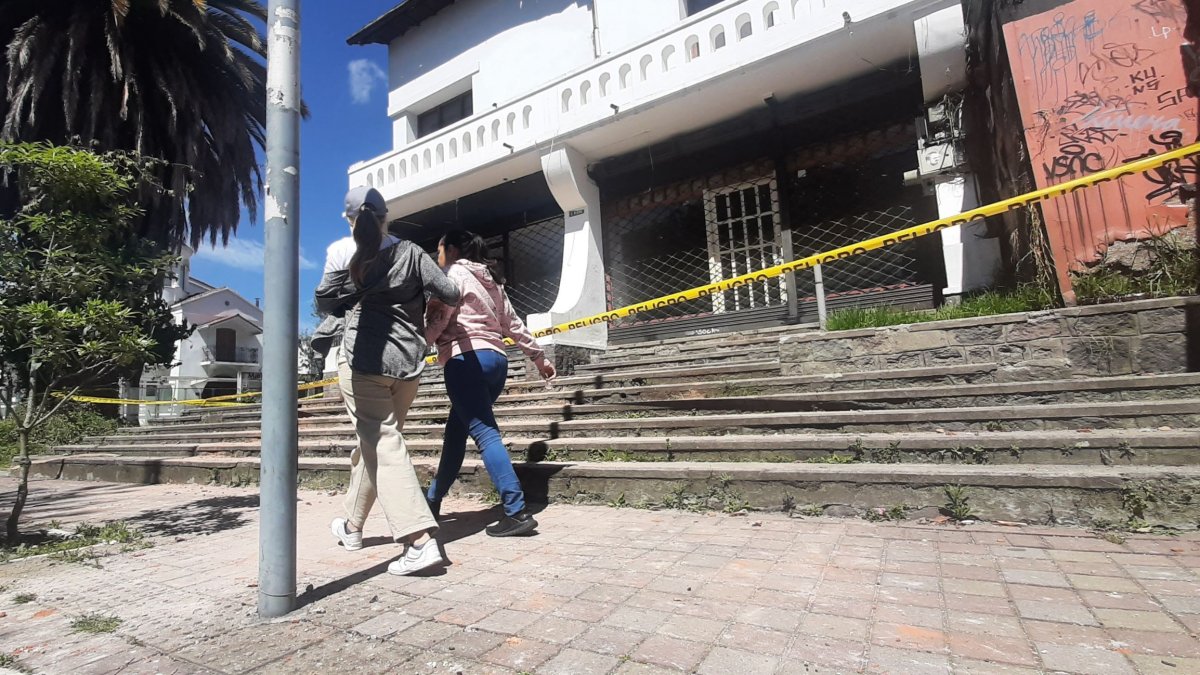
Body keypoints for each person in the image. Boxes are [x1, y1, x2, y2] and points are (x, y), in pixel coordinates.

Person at [314, 186, 461, 575]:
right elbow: (450, 291)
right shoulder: (411, 252)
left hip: (363, 360)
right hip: (408, 363)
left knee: (382, 443)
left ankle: (419, 541)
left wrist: (358, 288)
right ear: (386, 216)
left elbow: (322, 302)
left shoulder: (341, 253)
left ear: (349, 220)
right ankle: (351, 527)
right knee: (376, 445)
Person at [424, 229, 556, 537]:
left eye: (440, 250)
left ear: (453, 250)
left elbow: (440, 318)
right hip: (496, 360)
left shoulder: (453, 273)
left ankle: (516, 511)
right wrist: (539, 358)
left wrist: (417, 346)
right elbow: (512, 323)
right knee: (456, 433)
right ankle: (431, 502)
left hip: (465, 360)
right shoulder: (491, 279)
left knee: (484, 433)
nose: (438, 257)